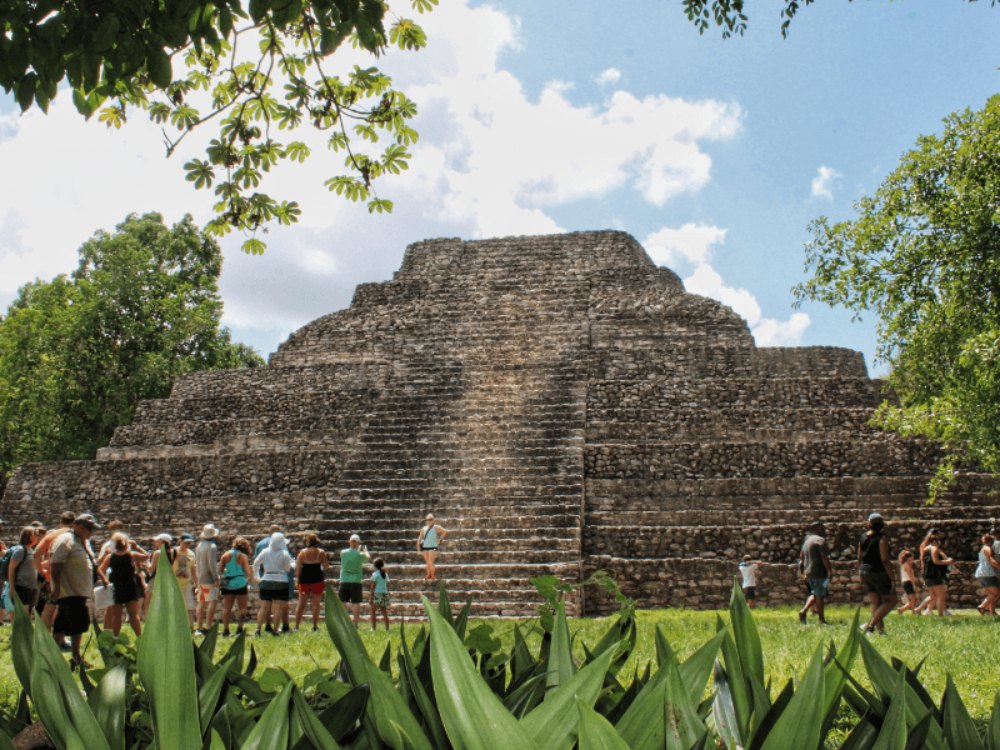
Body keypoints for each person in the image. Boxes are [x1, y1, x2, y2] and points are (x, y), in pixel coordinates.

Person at [50, 513, 105, 668]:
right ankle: (75, 657)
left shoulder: (80, 541)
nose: (91, 532)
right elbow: (56, 564)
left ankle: (56, 655)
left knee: (62, 623)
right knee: (77, 623)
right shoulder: (66, 540)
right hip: (70, 591)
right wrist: (57, 586)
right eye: (89, 529)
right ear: (78, 526)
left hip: (77, 591)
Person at [98, 532, 147, 637]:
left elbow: (100, 570)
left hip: (116, 587)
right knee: (133, 615)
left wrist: (105, 580)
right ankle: (140, 637)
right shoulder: (131, 555)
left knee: (117, 616)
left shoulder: (110, 557)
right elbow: (146, 556)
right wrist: (136, 547)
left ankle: (116, 637)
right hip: (130, 587)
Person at [35, 511, 76, 631]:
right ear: (74, 523)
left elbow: (36, 554)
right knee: (66, 610)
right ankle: (61, 639)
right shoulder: (75, 535)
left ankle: (45, 639)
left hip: (51, 578)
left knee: (48, 609)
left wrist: (41, 571)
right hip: (70, 578)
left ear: (60, 522)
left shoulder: (51, 536)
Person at [858, 512, 895, 634]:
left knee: (875, 602)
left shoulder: (862, 537)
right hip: (877, 571)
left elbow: (859, 557)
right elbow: (884, 559)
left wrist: (860, 573)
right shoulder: (882, 538)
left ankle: (881, 631)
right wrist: (892, 577)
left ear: (869, 523)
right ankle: (870, 627)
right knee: (891, 601)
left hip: (865, 570)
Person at [254, 532, 294, 635]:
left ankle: (258, 629)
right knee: (278, 607)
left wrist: (257, 576)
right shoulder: (284, 553)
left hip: (266, 579)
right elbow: (287, 568)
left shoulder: (265, 551)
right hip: (281, 580)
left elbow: (256, 563)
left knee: (264, 606)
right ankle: (276, 629)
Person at [218, 536, 254, 636]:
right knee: (242, 607)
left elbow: (221, 570)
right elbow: (248, 571)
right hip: (240, 583)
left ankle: (225, 629)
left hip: (228, 583)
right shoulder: (242, 556)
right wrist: (248, 579)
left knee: (227, 608)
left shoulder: (225, 555)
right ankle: (239, 628)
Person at [295, 532, 331, 631]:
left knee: (301, 603)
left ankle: (296, 626)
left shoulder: (302, 552)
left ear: (309, 541)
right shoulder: (321, 552)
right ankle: (315, 626)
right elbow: (326, 567)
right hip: (317, 579)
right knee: (316, 603)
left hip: (304, 579)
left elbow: (297, 569)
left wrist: (297, 579)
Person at [798, 522, 832, 625]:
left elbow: (801, 559)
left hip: (809, 573)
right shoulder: (819, 540)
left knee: (815, 593)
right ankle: (821, 620)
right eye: (822, 528)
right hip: (819, 572)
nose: (824, 530)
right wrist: (830, 571)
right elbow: (823, 557)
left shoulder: (807, 541)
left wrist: (803, 572)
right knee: (820, 595)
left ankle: (803, 611)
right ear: (816, 528)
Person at [7, 527, 41, 619]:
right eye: (35, 534)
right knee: (23, 616)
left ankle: (25, 633)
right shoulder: (20, 550)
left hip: (31, 587)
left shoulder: (31, 550)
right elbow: (11, 569)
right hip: (22, 587)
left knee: (28, 615)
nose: (38, 536)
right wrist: (11, 587)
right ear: (29, 536)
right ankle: (19, 633)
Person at [195, 524, 221, 634]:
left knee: (201, 602)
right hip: (208, 578)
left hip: (200, 577)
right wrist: (216, 578)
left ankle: (199, 626)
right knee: (212, 601)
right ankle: (208, 626)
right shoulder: (212, 547)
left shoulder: (199, 545)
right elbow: (212, 564)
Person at [340, 534, 371, 626]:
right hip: (356, 581)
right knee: (356, 603)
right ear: (358, 543)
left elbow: (351, 555)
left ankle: (344, 623)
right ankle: (355, 624)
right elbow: (368, 558)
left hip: (344, 580)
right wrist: (365, 551)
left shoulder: (343, 552)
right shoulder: (360, 554)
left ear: (349, 542)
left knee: (343, 603)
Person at [921, 532, 955, 616]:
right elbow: (936, 561)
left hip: (927, 574)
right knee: (941, 595)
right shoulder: (934, 548)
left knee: (933, 596)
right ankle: (940, 615)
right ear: (935, 541)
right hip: (935, 575)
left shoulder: (925, 549)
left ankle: (919, 609)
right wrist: (948, 561)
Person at [172, 533, 198, 626]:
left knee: (190, 606)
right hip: (174, 584)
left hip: (187, 584)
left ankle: (190, 627)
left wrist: (196, 584)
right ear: (180, 541)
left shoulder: (191, 554)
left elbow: (193, 569)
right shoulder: (173, 552)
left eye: (189, 543)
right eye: (186, 542)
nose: (188, 545)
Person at [974, 533, 1000, 616]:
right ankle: (982, 607)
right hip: (987, 573)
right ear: (990, 541)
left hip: (981, 573)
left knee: (991, 594)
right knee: (996, 593)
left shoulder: (983, 548)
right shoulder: (988, 548)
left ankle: (991, 612)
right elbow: (991, 560)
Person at [416, 514, 446, 580]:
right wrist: (418, 544)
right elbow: (420, 537)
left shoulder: (436, 527)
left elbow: (444, 531)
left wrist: (440, 539)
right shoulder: (424, 528)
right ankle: (428, 574)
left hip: (433, 546)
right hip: (425, 546)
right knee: (427, 561)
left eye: (431, 519)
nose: (429, 521)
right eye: (428, 520)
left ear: (433, 520)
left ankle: (432, 574)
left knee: (431, 561)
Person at [369, 557, 390, 631]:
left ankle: (373, 628)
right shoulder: (385, 574)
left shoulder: (375, 574)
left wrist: (371, 597)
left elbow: (373, 587)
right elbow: (387, 584)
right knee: (384, 612)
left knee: (373, 611)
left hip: (377, 594)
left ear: (375, 566)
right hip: (384, 593)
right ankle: (387, 628)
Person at [896, 550, 919, 614]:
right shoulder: (907, 565)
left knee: (913, 599)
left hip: (906, 583)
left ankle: (901, 610)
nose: (913, 559)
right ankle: (913, 613)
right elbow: (910, 576)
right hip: (908, 583)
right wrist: (914, 585)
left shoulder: (903, 564)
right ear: (908, 558)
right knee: (913, 599)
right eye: (912, 557)